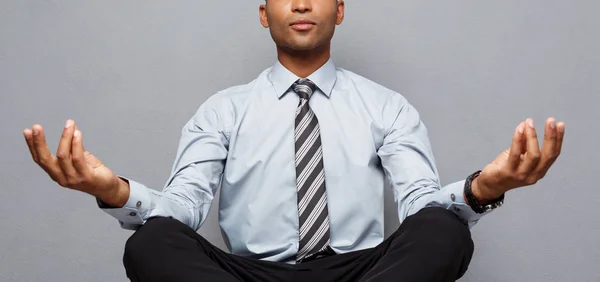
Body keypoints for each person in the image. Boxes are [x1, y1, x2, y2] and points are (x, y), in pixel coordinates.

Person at [23, 0, 566, 281]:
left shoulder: (386, 106)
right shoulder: (223, 109)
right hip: (252, 276)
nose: (302, 3)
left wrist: (481, 188)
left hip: (362, 273)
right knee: (149, 243)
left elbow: (421, 208)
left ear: (340, 9)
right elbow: (181, 211)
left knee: (446, 231)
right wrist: (114, 191)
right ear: (265, 15)